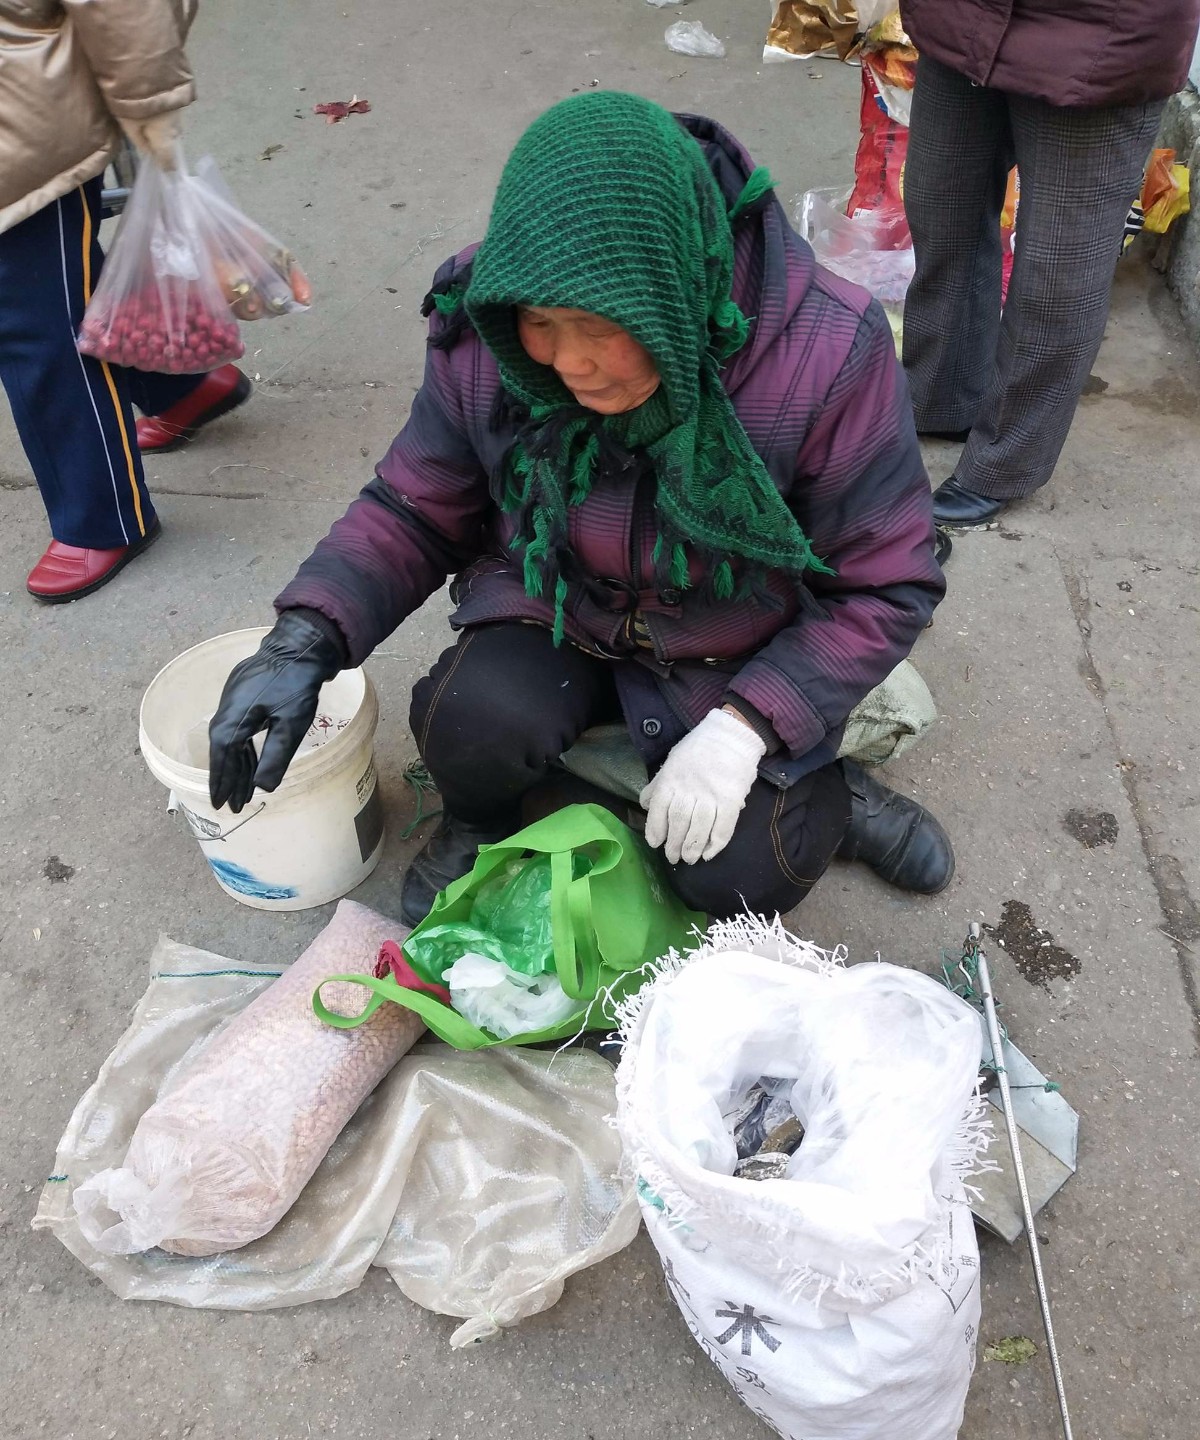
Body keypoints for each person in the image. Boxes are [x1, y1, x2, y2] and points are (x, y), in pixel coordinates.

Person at [206, 91, 953, 924]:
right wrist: (306, 638)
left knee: (741, 878)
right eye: (540, 321)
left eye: (601, 325)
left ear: (670, 291)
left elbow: (885, 587)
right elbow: (416, 504)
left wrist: (749, 727)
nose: (569, 363)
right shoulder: (484, 325)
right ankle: (480, 821)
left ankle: (833, 789)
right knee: (465, 724)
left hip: (735, 643)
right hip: (559, 601)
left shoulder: (827, 350)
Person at [899, 0, 1200, 525]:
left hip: (1100, 35)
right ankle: (943, 398)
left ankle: (1004, 461)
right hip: (962, 19)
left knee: (1060, 268)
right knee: (941, 209)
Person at [0, 0, 250, 602]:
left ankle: (102, 515)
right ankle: (179, 387)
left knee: (37, 322)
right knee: (52, 296)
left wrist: (152, 116)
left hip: (24, 130)